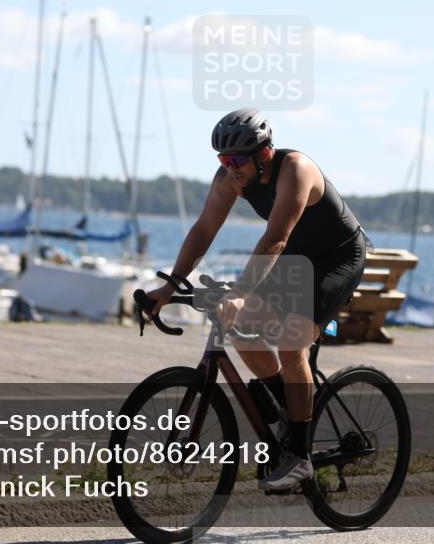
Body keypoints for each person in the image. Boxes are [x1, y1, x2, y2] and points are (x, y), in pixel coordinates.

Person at [142, 108, 370, 491]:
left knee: (290, 340)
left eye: (236, 160)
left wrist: (240, 292)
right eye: (222, 159)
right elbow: (203, 231)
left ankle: (299, 456)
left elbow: (275, 238)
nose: (229, 168)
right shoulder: (230, 179)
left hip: (338, 259)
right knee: (241, 326)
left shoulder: (295, 169)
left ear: (264, 152)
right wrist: (169, 286)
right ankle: (288, 407)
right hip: (295, 259)